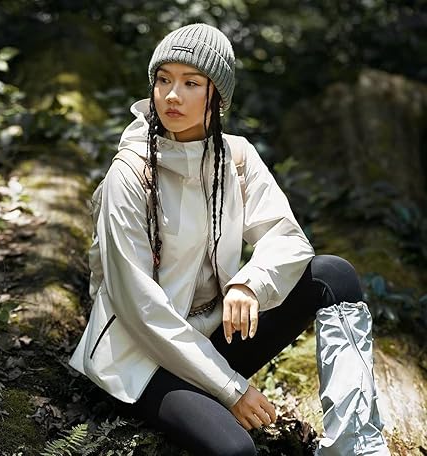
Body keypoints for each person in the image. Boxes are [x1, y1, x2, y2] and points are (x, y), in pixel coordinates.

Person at [70, 23, 389, 456]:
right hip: (138, 355)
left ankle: (354, 444)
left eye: (191, 83)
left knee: (333, 275)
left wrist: (249, 283)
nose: (172, 95)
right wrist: (231, 388)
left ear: (217, 95)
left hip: (210, 335)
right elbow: (140, 309)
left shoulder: (235, 156)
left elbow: (288, 238)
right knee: (236, 451)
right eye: (163, 79)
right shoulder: (128, 175)